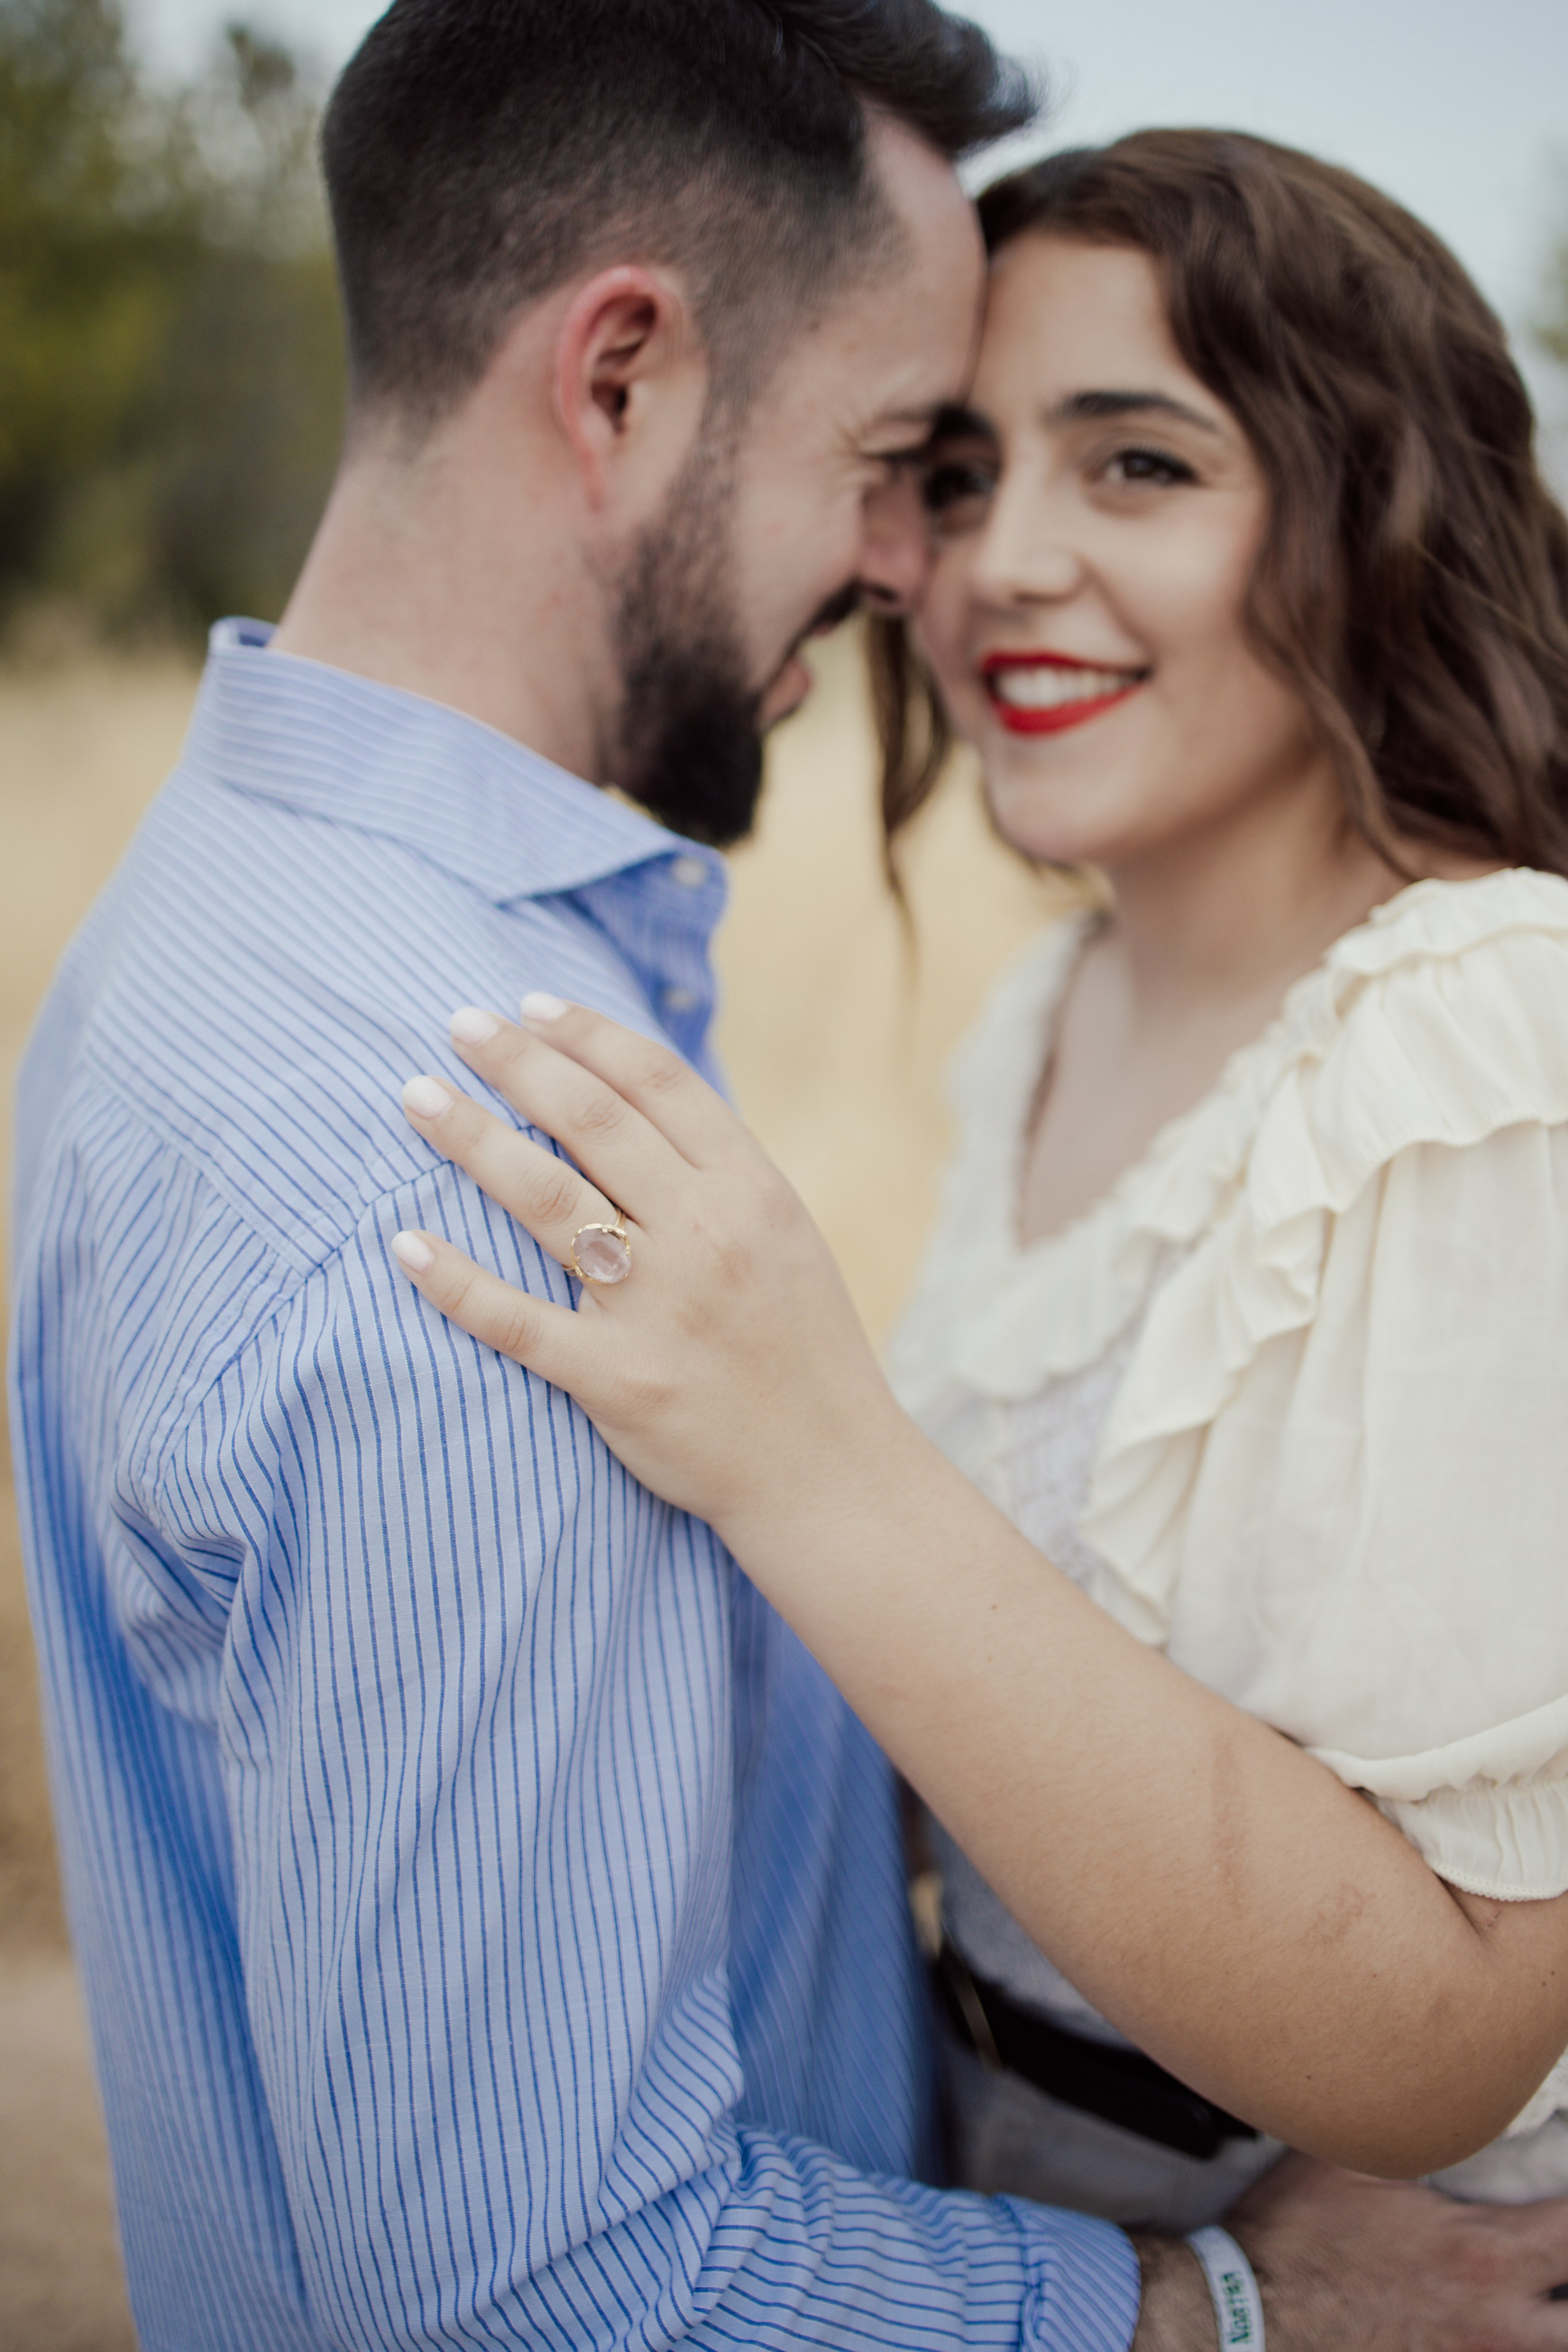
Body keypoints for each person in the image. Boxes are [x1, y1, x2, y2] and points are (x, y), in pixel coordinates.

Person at [9, 0, 1566, 2326]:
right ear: (620, 379)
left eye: (1132, 465)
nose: (949, 566)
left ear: (1363, 504)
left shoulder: (1475, 1038)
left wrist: (821, 1466)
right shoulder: (523, 1126)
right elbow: (532, 2278)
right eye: (926, 464)